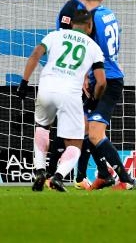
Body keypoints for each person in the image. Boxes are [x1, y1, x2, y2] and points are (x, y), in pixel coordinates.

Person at [16, 10, 107, 192]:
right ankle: (58, 177)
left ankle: (40, 170)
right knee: (75, 144)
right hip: (70, 93)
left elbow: (35, 54)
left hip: (46, 87)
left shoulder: (55, 35)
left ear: (71, 23)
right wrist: (94, 100)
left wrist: (24, 82)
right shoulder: (94, 47)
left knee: (42, 127)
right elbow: (102, 81)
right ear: (89, 27)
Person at [45, 0, 101, 191]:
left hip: (77, 76)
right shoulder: (73, 8)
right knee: (77, 127)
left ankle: (72, 176)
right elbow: (68, 44)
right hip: (73, 77)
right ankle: (53, 174)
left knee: (83, 127)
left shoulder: (80, 7)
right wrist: (85, 75)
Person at [82, 0, 136, 190]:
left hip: (106, 80)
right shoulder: (109, 13)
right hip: (109, 75)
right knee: (86, 129)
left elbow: (91, 50)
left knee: (95, 133)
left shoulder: (89, 19)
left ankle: (126, 179)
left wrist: (88, 77)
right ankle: (104, 174)